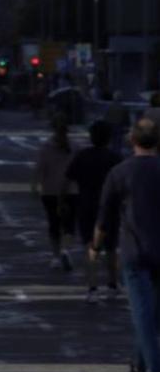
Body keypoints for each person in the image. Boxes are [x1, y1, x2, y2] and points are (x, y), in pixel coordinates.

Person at [93, 118, 160, 372]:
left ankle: (155, 371)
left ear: (132, 140)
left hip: (134, 251)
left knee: (143, 313)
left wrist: (94, 247)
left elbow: (104, 217)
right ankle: (138, 364)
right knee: (152, 314)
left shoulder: (119, 172)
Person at [66, 120, 125, 303]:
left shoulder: (82, 156)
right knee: (111, 247)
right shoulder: (115, 158)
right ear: (108, 138)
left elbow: (69, 178)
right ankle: (113, 285)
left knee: (90, 246)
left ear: (91, 137)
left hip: (86, 205)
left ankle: (92, 287)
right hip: (110, 207)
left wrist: (65, 200)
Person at [33, 118, 77, 272]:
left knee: (54, 224)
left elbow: (40, 168)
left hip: (50, 191)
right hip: (71, 190)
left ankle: (56, 256)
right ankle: (66, 249)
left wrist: (34, 186)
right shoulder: (74, 146)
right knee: (69, 225)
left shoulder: (46, 147)